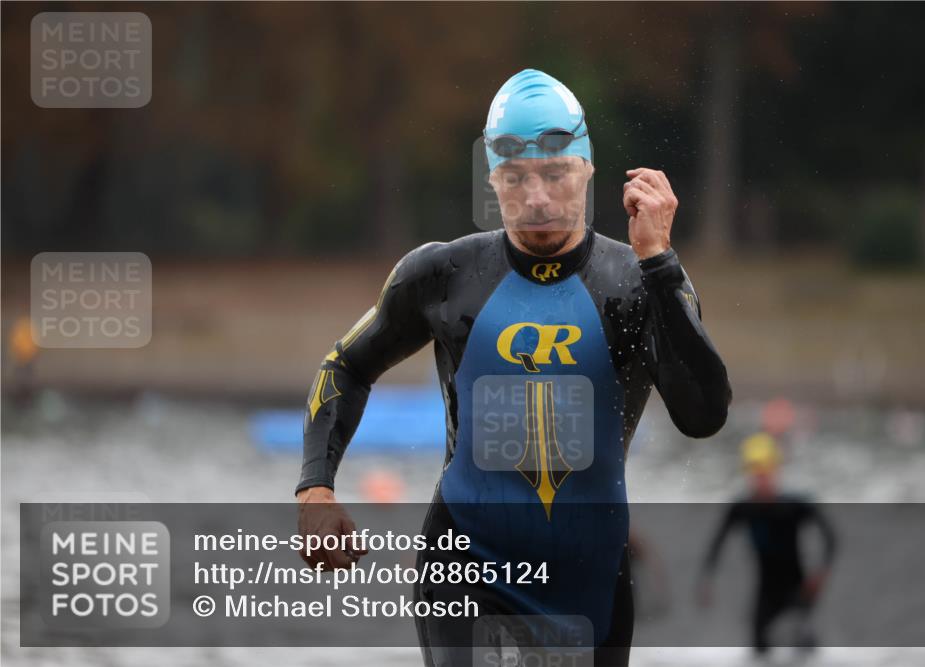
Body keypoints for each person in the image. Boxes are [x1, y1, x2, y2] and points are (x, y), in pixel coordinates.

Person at [296, 68, 732, 666]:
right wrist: (316, 489)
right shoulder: (442, 276)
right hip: (463, 569)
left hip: (591, 579)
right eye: (516, 177)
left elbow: (704, 415)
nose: (537, 198)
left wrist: (660, 262)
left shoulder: (637, 282)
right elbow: (345, 365)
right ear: (492, 180)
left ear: (588, 171)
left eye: (555, 174)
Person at [698, 432, 837, 657]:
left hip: (798, 590)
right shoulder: (742, 508)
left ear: (776, 472)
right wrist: (707, 578)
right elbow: (717, 544)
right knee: (758, 649)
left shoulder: (794, 505)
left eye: (765, 473)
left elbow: (831, 537)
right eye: (756, 474)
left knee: (803, 647)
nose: (761, 480)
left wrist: (821, 574)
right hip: (765, 591)